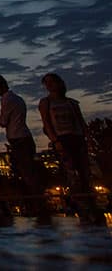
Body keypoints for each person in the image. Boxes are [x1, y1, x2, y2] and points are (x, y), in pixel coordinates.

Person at [38, 73, 93, 218]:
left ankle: (89, 201)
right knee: (71, 172)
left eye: (52, 82)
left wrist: (87, 138)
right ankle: (80, 203)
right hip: (62, 139)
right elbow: (46, 123)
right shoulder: (46, 103)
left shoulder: (71, 103)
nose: (49, 85)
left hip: (77, 138)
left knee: (84, 171)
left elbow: (81, 122)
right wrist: (55, 140)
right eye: (47, 83)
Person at [0, 74, 42, 213]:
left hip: (18, 138)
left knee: (26, 172)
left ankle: (35, 204)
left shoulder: (8, 101)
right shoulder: (17, 99)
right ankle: (35, 203)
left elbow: (3, 121)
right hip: (23, 136)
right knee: (28, 170)